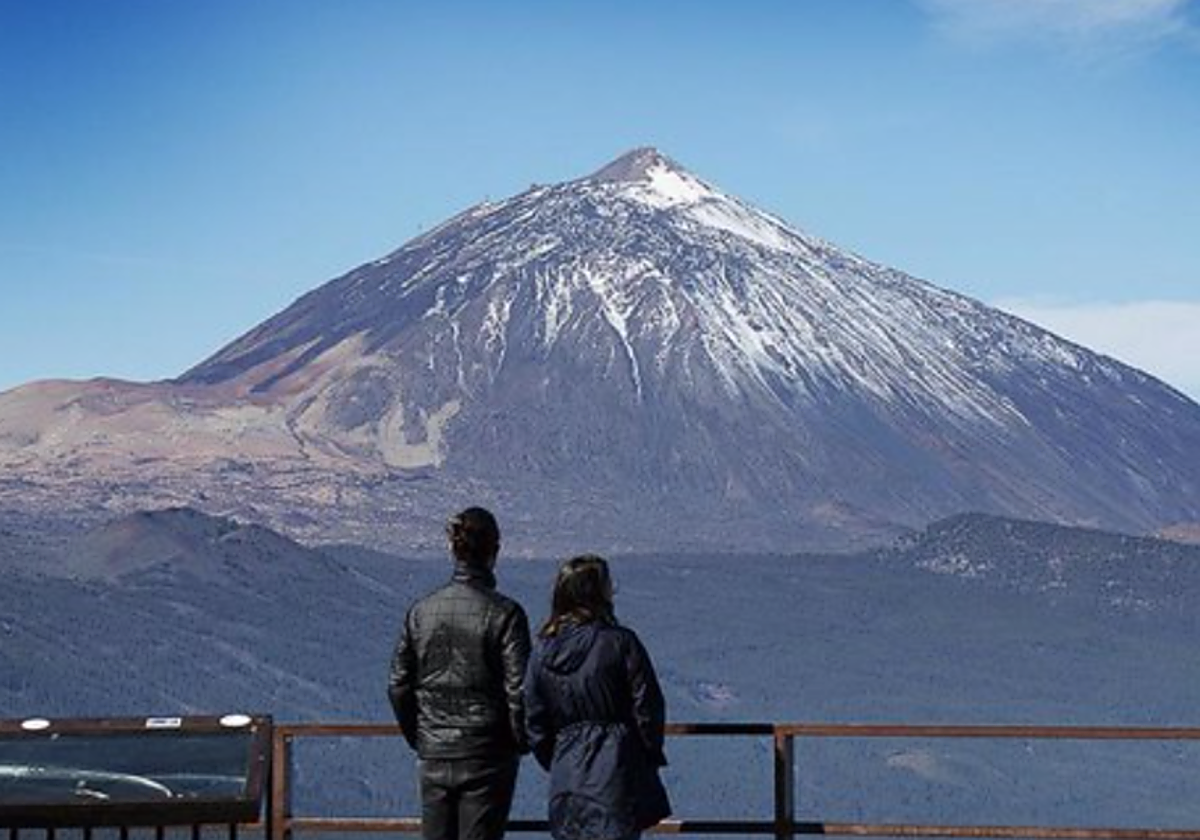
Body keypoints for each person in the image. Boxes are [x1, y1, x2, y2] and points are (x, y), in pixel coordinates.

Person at [388, 507, 531, 840]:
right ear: (494, 550)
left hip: (434, 751)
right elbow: (519, 689)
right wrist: (519, 740)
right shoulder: (505, 613)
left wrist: (422, 735)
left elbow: (398, 684)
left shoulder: (421, 612)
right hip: (487, 753)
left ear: (453, 550)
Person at [525, 555, 672, 840]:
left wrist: (557, 757)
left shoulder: (540, 652)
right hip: (616, 771)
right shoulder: (620, 642)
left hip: (565, 776)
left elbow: (533, 719)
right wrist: (644, 754)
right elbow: (648, 707)